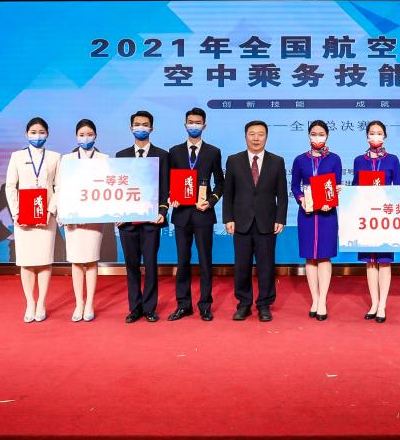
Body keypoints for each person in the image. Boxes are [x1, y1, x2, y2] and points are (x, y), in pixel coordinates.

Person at [222, 120, 288, 322]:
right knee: (241, 266)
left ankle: (264, 304)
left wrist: (280, 218)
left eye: (260, 134)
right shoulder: (234, 161)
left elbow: (282, 194)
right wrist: (228, 218)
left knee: (266, 266)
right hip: (241, 222)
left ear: (266, 137)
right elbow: (228, 193)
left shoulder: (277, 161)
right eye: (252, 134)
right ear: (245, 137)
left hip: (267, 222)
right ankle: (244, 304)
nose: (256, 138)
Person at [167, 107, 224, 322]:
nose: (194, 125)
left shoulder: (213, 152)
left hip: (203, 214)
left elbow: (220, 183)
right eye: (190, 122)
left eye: (197, 122)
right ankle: (183, 305)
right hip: (181, 214)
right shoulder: (174, 152)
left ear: (204, 125)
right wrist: (171, 197)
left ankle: (205, 305)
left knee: (205, 261)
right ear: (185, 125)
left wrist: (211, 201)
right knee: (182, 261)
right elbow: (168, 181)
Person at [116, 110, 170, 324]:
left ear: (151, 128)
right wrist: (116, 212)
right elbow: (117, 189)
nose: (141, 127)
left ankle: (149, 308)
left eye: (145, 124)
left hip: (151, 221)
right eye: (137, 124)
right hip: (127, 222)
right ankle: (134, 308)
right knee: (131, 267)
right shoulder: (121, 155)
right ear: (131, 128)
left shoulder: (162, 155)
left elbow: (165, 187)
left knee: (150, 265)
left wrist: (162, 212)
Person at [5, 117, 60, 323]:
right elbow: (10, 186)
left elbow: (59, 187)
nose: (37, 136)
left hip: (46, 216)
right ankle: (30, 302)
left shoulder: (55, 157)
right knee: (26, 262)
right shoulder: (17, 156)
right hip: (24, 216)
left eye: (41, 132)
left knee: (44, 261)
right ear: (26, 134)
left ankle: (42, 302)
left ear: (47, 134)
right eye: (33, 132)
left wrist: (50, 210)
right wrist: (16, 213)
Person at [52, 119, 106, 322]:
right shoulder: (67, 159)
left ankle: (90, 303)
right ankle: (79, 304)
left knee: (91, 260)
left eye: (89, 134)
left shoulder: (104, 158)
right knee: (75, 261)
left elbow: (107, 189)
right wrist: (61, 213)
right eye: (82, 135)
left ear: (96, 136)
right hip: (73, 218)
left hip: (94, 217)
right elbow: (60, 187)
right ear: (76, 137)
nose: (86, 138)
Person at [291, 120, 342, 321]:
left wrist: (332, 200)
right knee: (310, 257)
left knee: (324, 256)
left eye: (321, 134)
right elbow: (295, 186)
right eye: (314, 134)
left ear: (327, 136)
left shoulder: (335, 159)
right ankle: (314, 298)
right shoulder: (300, 160)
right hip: (307, 213)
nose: (317, 137)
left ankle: (323, 301)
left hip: (327, 214)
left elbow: (337, 185)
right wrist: (301, 199)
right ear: (308, 135)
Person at [352, 120, 400, 323]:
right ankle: (374, 303)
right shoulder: (359, 160)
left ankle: (383, 305)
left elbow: (399, 188)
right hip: (366, 217)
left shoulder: (393, 160)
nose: (375, 136)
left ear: (385, 137)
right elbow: (355, 187)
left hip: (385, 217)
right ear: (367, 137)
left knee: (384, 261)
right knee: (370, 262)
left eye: (379, 133)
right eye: (372, 133)